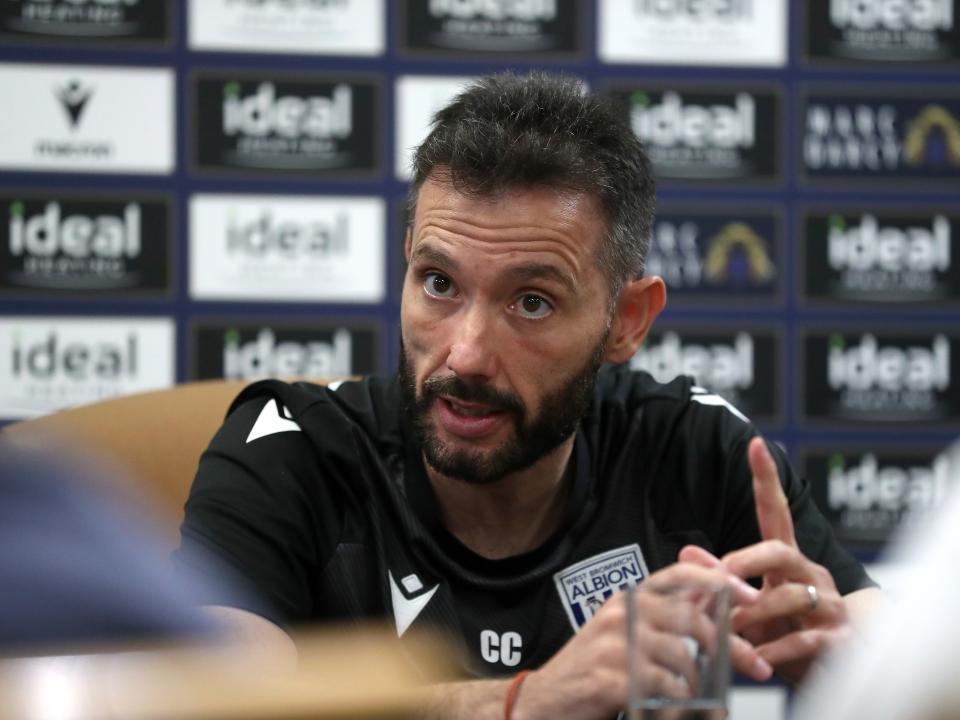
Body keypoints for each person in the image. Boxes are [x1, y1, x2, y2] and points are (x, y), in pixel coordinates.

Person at [174, 72, 882, 719]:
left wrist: (864, 678)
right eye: (439, 283)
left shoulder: (696, 451)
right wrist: (528, 701)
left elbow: (902, 662)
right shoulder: (287, 451)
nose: (468, 354)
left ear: (626, 321)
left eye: (533, 303)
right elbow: (202, 703)